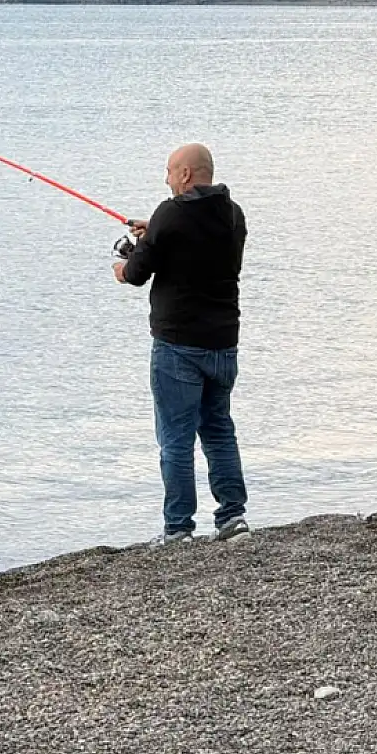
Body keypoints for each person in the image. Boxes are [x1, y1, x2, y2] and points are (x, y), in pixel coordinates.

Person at [114, 143, 250, 546]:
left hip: (177, 345)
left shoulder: (169, 214)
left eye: (170, 172)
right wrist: (152, 230)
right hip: (224, 343)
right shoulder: (232, 214)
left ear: (186, 174)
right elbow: (194, 247)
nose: (167, 179)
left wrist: (122, 268)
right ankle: (233, 518)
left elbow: (138, 273)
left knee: (175, 438)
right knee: (219, 430)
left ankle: (179, 528)